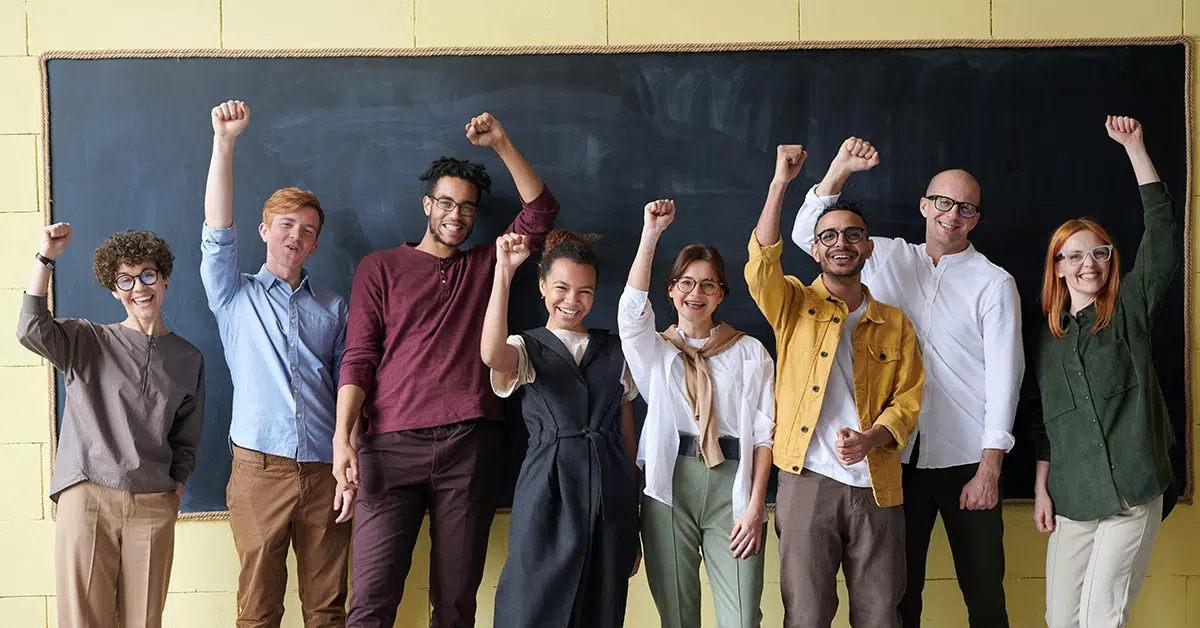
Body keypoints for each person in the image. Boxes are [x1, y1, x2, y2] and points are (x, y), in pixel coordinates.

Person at [333, 113, 561, 628]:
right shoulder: (380, 268)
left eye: (467, 207)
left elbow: (542, 210)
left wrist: (501, 141)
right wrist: (342, 438)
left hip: (468, 445)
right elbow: (359, 356)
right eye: (447, 203)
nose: (456, 215)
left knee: (456, 603)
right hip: (387, 446)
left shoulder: (487, 263)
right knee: (370, 601)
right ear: (427, 205)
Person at [792, 138, 1023, 627]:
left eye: (965, 208)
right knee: (900, 599)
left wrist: (990, 468)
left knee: (985, 595)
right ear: (924, 205)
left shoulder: (994, 282)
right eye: (943, 202)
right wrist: (837, 173)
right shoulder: (884, 256)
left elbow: (1007, 378)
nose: (952, 215)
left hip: (967, 461)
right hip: (896, 461)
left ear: (975, 218)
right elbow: (804, 236)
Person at [748, 145, 923, 627]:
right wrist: (779, 183)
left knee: (881, 614)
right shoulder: (792, 304)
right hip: (806, 480)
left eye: (853, 234)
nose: (841, 243)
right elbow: (761, 263)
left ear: (868, 247)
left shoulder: (895, 323)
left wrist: (871, 439)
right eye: (829, 236)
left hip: (878, 485)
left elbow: (908, 401)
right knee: (805, 614)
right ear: (817, 248)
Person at [200, 100, 352, 628]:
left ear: (315, 242)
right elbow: (217, 230)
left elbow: (349, 386)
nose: (296, 235)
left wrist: (347, 467)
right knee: (259, 611)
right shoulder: (232, 295)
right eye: (286, 224)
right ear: (264, 231)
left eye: (308, 230)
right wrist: (225, 143)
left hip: (323, 473)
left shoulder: (334, 307)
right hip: (258, 470)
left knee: (328, 611)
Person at [18, 224, 204, 628]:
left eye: (148, 274)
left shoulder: (188, 358)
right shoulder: (87, 340)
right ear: (114, 290)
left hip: (153, 503)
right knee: (84, 619)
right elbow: (31, 329)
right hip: (87, 498)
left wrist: (175, 486)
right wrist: (46, 256)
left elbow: (185, 436)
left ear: (165, 277)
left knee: (144, 620)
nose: (139, 287)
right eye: (126, 279)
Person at [1031, 116, 1175, 628]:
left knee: (1100, 618)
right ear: (1058, 265)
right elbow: (1048, 424)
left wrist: (1135, 147)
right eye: (1074, 255)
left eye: (1099, 252)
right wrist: (1042, 487)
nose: (1088, 263)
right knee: (1061, 619)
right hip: (1073, 497)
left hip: (1131, 492)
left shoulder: (1131, 307)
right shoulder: (1047, 339)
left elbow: (1161, 232)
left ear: (1111, 260)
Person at [618, 199, 775, 628]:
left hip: (733, 486)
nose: (696, 294)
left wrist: (756, 506)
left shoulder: (749, 352)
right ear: (670, 290)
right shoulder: (655, 350)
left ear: (722, 294)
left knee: (743, 617)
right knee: (678, 616)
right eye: (686, 283)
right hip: (670, 483)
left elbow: (765, 435)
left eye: (708, 285)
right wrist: (650, 235)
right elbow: (631, 313)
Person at [483, 229, 641, 627]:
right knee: (532, 603)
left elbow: (627, 439)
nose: (572, 300)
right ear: (541, 286)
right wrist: (503, 272)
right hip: (547, 490)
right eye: (562, 288)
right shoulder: (527, 347)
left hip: (608, 491)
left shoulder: (615, 351)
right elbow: (491, 354)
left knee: (600, 604)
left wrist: (633, 514)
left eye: (585, 291)